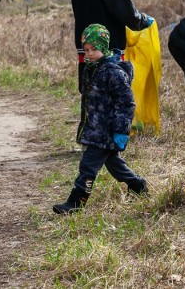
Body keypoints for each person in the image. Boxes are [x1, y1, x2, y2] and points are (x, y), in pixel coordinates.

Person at [53, 24, 147, 215]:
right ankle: (137, 185)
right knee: (114, 165)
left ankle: (76, 202)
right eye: (86, 50)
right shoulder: (91, 69)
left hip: (108, 130)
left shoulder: (114, 73)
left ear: (104, 48)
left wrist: (122, 130)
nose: (90, 54)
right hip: (95, 128)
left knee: (88, 166)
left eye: (94, 49)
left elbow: (127, 104)